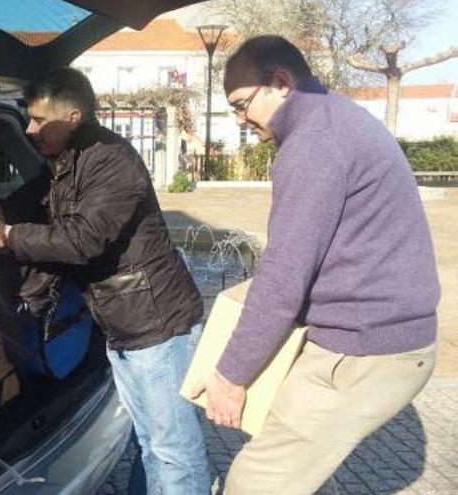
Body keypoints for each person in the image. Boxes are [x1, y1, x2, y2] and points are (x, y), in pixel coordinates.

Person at [190, 36, 440, 493]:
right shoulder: (336, 120)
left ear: (280, 83)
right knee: (297, 469)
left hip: (363, 350)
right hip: (381, 341)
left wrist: (230, 375)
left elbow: (284, 277)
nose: (241, 120)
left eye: (242, 104)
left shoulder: (313, 144)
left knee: (254, 482)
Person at [0, 68, 211, 494]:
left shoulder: (112, 161)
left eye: (40, 120)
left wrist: (7, 237)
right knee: (151, 443)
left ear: (73, 117)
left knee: (174, 451)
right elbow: (22, 203)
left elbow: (82, 241)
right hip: (125, 321)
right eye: (29, 118)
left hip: (157, 325)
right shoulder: (67, 164)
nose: (30, 129)